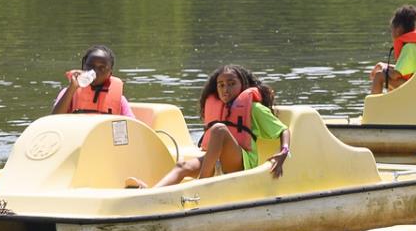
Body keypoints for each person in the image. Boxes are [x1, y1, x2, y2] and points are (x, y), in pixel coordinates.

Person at [137, 65, 291, 188]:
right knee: (182, 165)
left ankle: (201, 186)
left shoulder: (254, 108)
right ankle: (151, 194)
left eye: (231, 84)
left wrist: (284, 151)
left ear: (242, 85)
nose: (225, 89)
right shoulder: (217, 107)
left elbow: (283, 130)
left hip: (242, 161)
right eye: (221, 85)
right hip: (215, 160)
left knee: (219, 129)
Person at [51, 45, 133, 116]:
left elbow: (131, 125)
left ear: (110, 73)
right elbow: (54, 120)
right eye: (90, 66)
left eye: (102, 68)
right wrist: (72, 89)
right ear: (83, 67)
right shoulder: (69, 93)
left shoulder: (120, 100)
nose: (95, 72)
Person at [369, 5, 416, 94]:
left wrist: (384, 68)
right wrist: (383, 65)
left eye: (392, 29)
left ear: (398, 30)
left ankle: (374, 107)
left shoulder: (408, 48)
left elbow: (395, 75)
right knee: (386, 74)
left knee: (379, 76)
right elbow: (402, 70)